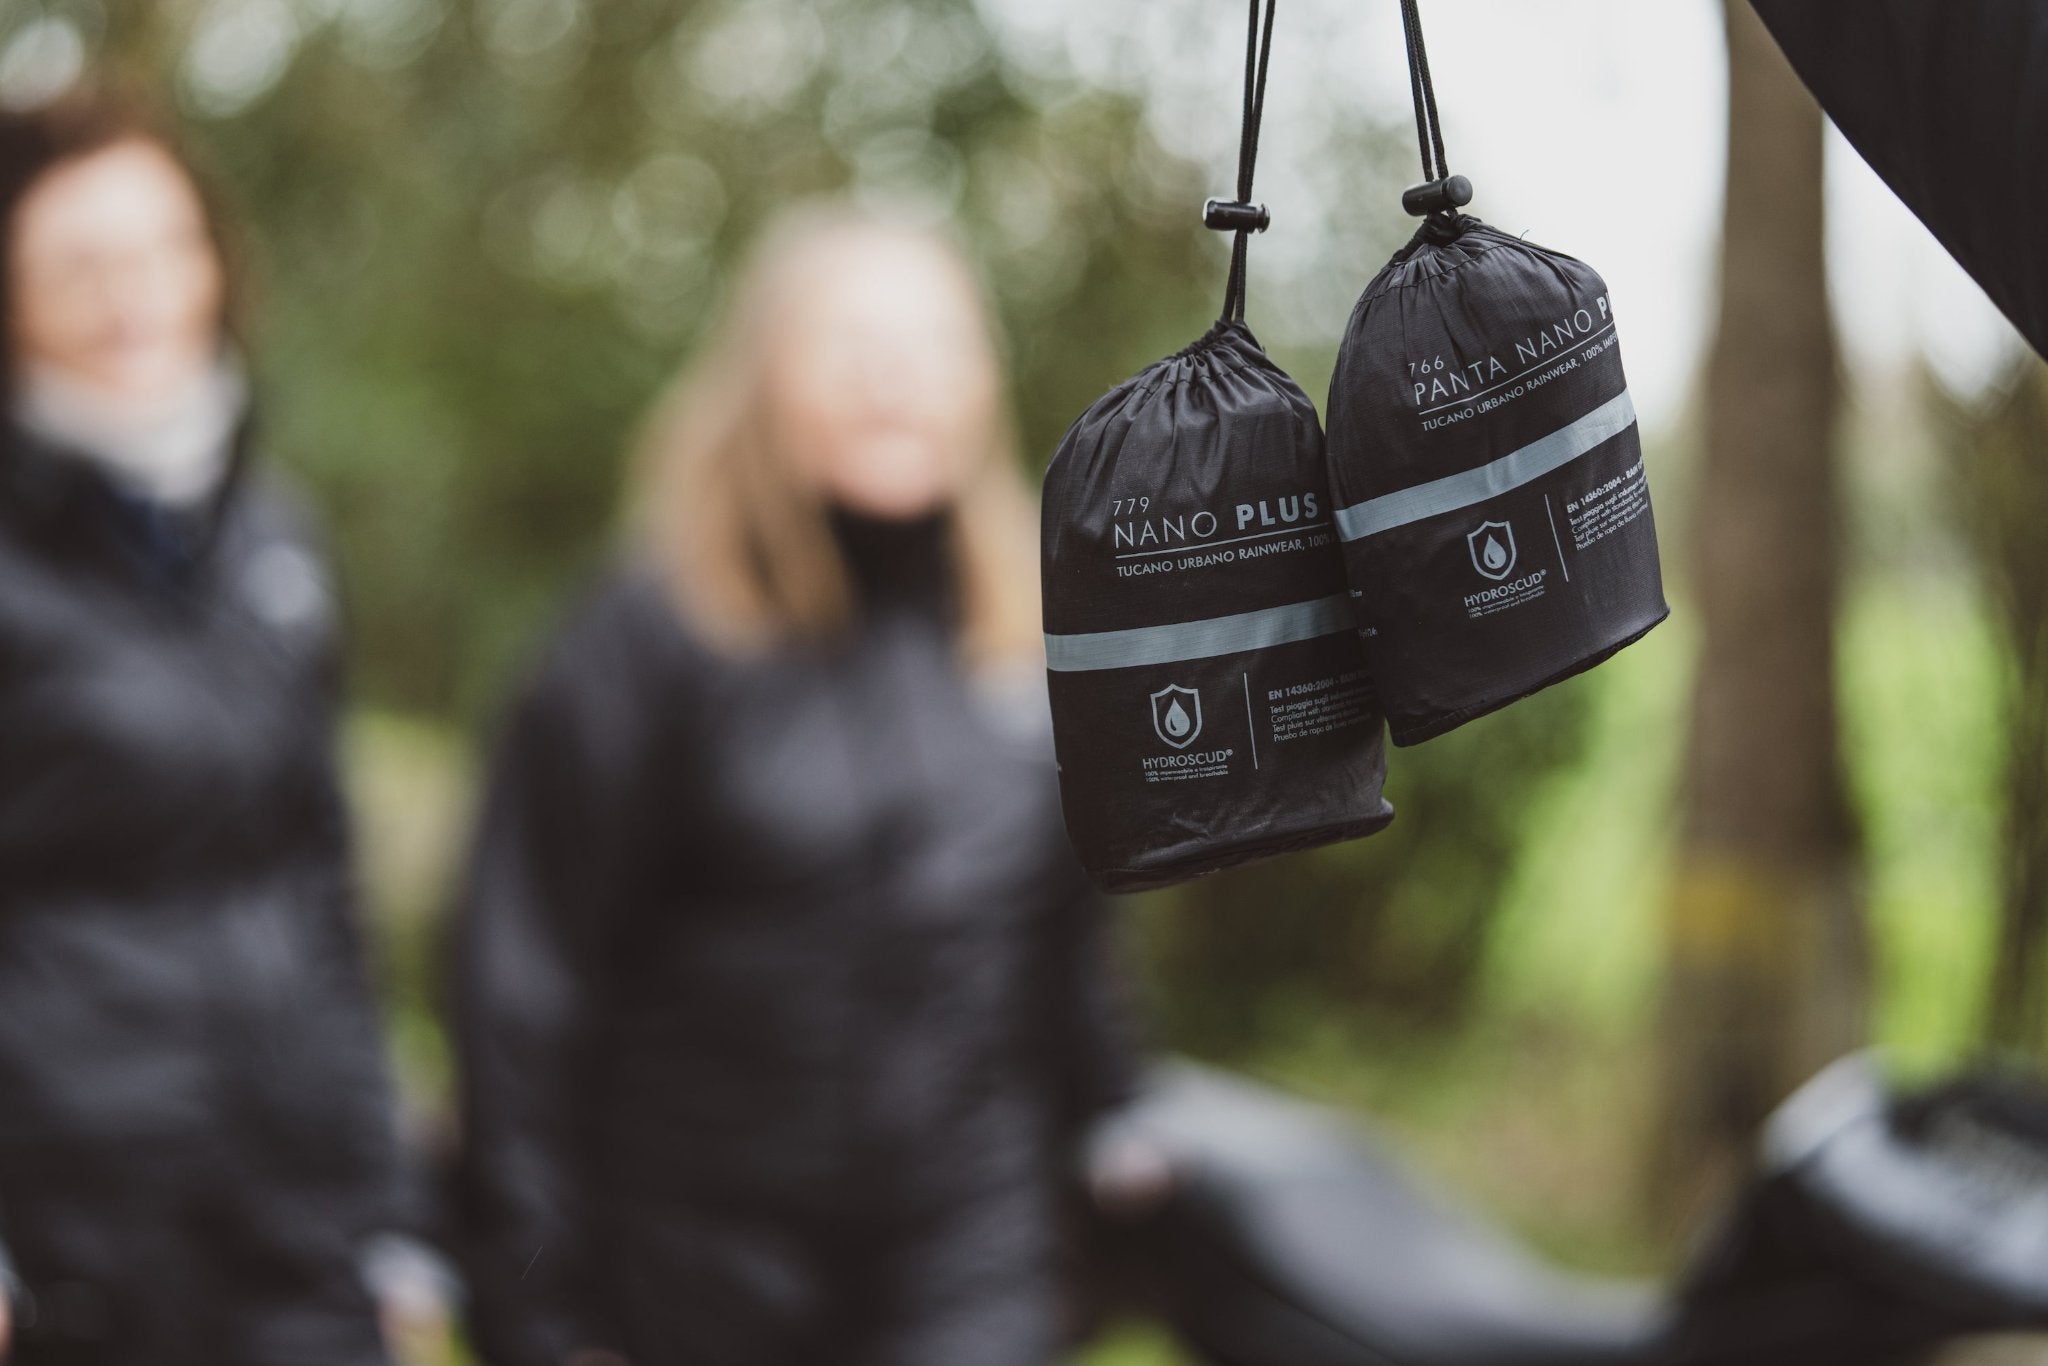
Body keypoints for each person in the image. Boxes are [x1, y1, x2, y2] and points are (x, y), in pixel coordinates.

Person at [451, 206, 1140, 1366]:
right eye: (851, 343)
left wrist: (1118, 1144)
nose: (894, 382)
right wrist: (534, 1307)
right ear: (763, 376)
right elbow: (521, 983)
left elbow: (1063, 956)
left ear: (982, 382)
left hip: (966, 1263)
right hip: (685, 1272)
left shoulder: (1036, 637)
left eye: (930, 344)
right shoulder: (646, 640)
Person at [0, 92, 413, 1364]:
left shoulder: (274, 533)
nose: (132, 295)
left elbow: (320, 876)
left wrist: (388, 1209)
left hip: (294, 1223)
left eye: (162, 248)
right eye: (80, 263)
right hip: (79, 1244)